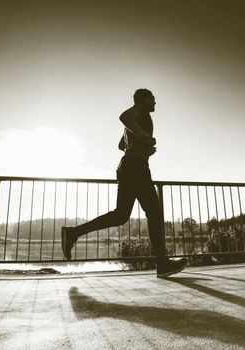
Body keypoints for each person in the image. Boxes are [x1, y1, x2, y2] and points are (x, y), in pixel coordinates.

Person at [61, 88, 186, 278]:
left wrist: (143, 146)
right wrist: (145, 137)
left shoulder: (137, 119)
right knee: (154, 213)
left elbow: (122, 145)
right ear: (143, 100)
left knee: (121, 215)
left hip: (129, 165)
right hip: (136, 167)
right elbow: (124, 116)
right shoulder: (138, 112)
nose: (155, 103)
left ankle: (73, 233)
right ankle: (162, 264)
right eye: (152, 100)